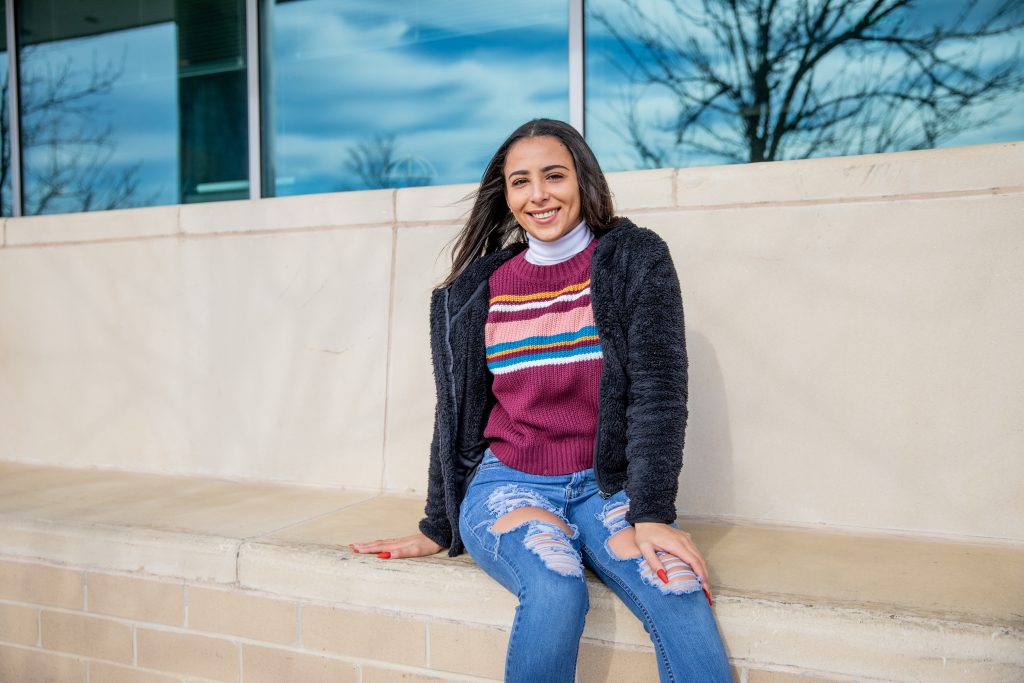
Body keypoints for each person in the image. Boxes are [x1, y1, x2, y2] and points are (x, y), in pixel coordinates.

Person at [352, 118, 731, 681]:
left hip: (606, 487)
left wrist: (651, 512)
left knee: (677, 588)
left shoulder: (634, 259)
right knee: (556, 588)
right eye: (520, 182)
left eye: (554, 176)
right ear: (505, 196)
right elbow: (454, 413)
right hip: (508, 485)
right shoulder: (474, 290)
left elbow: (658, 393)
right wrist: (438, 523)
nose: (538, 195)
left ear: (583, 180)